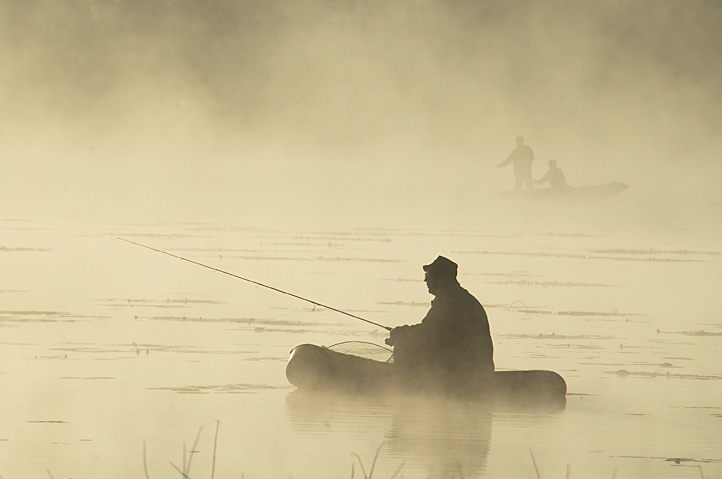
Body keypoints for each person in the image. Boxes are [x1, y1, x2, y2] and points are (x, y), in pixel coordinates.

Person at [385, 256, 494, 394]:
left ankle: (412, 391)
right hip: (473, 367)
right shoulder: (455, 297)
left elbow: (427, 332)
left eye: (429, 276)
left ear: (443, 278)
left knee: (403, 346)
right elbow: (434, 334)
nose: (425, 280)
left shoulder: (450, 301)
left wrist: (402, 333)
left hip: (467, 373)